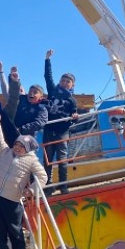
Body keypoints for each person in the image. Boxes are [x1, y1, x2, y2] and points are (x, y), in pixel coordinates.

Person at [0, 114, 47, 249]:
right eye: (16, 144)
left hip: (12, 199)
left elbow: (43, 176)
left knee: (14, 228)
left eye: (21, 146)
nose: (17, 147)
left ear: (27, 148)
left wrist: (31, 191)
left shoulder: (32, 161)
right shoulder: (6, 152)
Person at [43, 49, 78, 195]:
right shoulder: (52, 91)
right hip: (48, 130)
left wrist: (75, 117)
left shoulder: (72, 100)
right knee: (48, 160)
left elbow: (73, 116)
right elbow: (48, 76)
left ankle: (63, 186)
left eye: (68, 81)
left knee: (62, 160)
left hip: (62, 132)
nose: (64, 83)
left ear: (72, 85)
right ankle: (48, 186)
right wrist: (47, 59)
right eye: (63, 80)